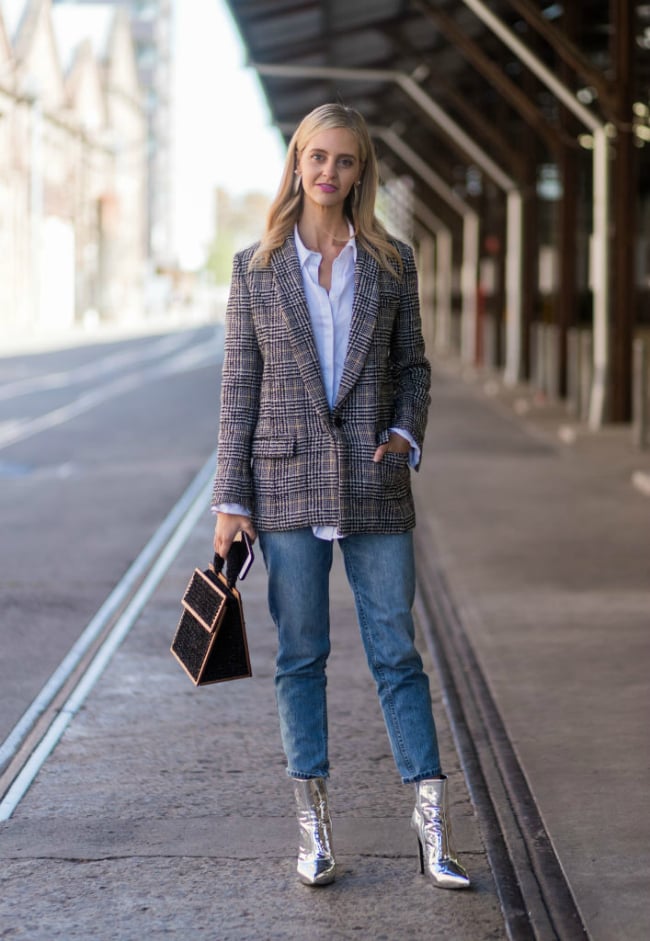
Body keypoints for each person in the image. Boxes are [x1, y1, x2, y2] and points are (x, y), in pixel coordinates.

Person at [212, 102, 469, 891]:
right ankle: (314, 829)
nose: (327, 172)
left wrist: (405, 429)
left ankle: (432, 831)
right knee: (301, 658)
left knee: (398, 654)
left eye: (344, 161)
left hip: (374, 481)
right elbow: (239, 389)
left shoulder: (390, 262)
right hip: (285, 483)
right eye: (315, 157)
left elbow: (415, 366)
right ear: (295, 162)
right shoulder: (256, 266)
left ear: (361, 172)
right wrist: (231, 497)